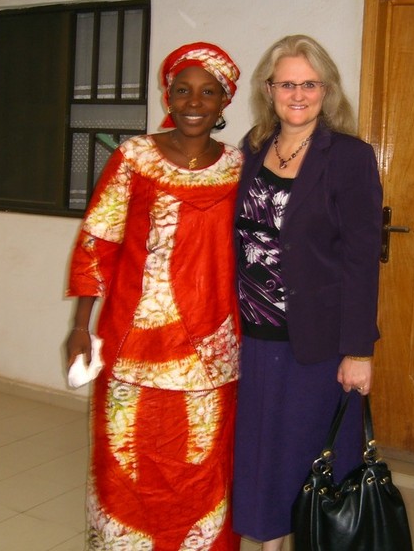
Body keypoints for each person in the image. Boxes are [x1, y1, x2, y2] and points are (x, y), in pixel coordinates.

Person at [65, 42, 242, 550]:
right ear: (168, 96)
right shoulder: (134, 157)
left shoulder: (239, 167)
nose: (194, 102)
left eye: (208, 92)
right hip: (132, 340)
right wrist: (80, 326)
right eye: (183, 90)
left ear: (224, 101)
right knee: (126, 458)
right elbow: (98, 240)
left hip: (213, 345)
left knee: (204, 462)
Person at [231, 35, 383, 550]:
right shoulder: (252, 148)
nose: (298, 94)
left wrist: (359, 350)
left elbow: (362, 259)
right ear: (268, 90)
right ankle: (268, 544)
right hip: (252, 337)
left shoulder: (349, 157)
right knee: (261, 456)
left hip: (317, 343)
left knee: (311, 456)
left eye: (309, 84)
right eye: (286, 84)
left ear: (327, 90)